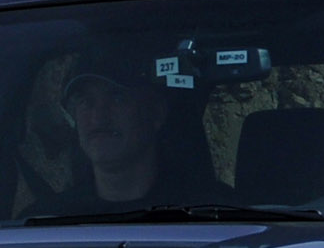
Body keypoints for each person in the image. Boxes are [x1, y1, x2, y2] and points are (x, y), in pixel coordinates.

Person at [50, 41, 222, 209]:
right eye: (86, 102)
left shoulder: (215, 214)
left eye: (117, 98)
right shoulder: (47, 224)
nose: (98, 118)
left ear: (156, 113)